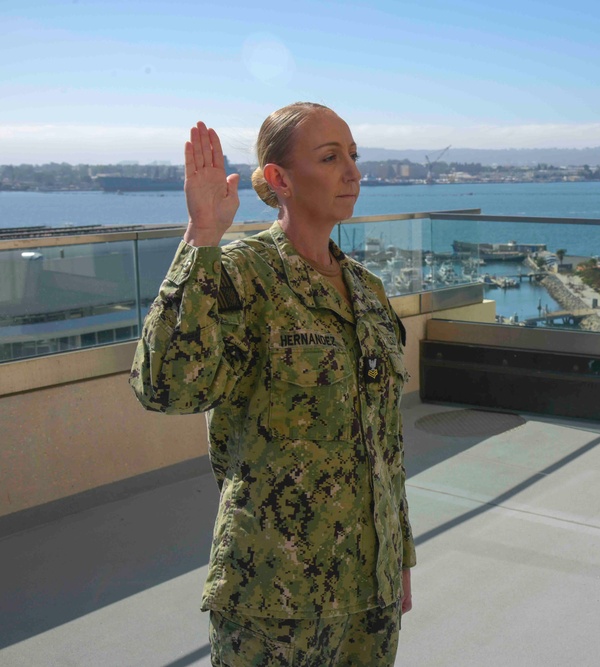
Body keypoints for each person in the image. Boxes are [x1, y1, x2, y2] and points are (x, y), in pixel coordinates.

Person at [130, 102, 415, 666]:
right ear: (279, 179)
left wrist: (399, 555)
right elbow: (165, 387)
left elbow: (385, 441)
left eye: (353, 155)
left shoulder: (366, 289)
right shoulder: (241, 273)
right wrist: (202, 235)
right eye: (330, 158)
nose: (353, 172)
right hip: (274, 599)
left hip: (368, 594)